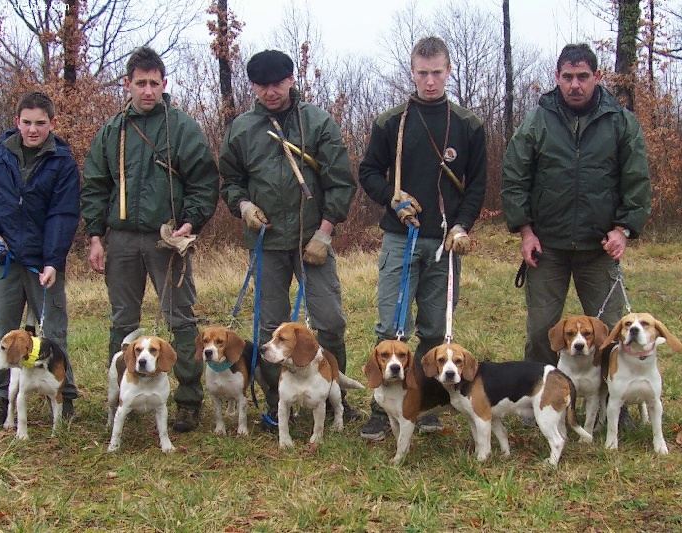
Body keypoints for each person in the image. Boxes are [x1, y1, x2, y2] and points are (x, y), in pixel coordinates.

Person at [219, 49, 359, 430]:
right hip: (266, 244)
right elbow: (229, 181)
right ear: (253, 86)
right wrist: (244, 205)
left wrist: (325, 233)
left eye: (278, 83)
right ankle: (276, 403)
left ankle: (333, 397)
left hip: (311, 241)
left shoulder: (316, 122)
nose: (270, 91)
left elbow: (341, 181)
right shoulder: (242, 128)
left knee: (329, 323)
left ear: (291, 80)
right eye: (262, 85)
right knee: (269, 331)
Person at [82, 46, 219, 433]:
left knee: (181, 318)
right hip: (122, 239)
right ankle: (121, 398)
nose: (147, 90)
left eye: (153, 83)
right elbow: (94, 185)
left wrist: (189, 224)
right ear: (127, 84)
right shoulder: (112, 131)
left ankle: (188, 401)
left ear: (164, 84)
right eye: (139, 83)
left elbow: (204, 181)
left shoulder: (181, 127)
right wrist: (96, 236)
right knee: (123, 322)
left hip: (166, 239)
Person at [358, 36, 487, 441]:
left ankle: (426, 402)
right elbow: (368, 173)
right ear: (411, 73)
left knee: (434, 327)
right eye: (422, 73)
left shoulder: (468, 125)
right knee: (393, 325)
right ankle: (382, 406)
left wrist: (462, 225)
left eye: (436, 72)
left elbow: (478, 184)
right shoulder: (391, 122)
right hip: (401, 237)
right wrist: (392, 199)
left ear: (449, 71)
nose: (429, 81)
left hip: (445, 244)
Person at [501, 43, 651, 368]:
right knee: (542, 331)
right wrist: (526, 232)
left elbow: (637, 181)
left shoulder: (621, 123)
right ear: (557, 77)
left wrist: (623, 229)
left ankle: (615, 401)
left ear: (597, 76)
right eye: (567, 77)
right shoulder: (537, 121)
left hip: (598, 248)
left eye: (582, 76)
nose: (574, 85)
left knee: (609, 330)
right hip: (547, 247)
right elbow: (514, 177)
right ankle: (540, 401)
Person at [0, 91, 81, 428]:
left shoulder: (63, 162)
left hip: (43, 264)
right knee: (3, 333)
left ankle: (64, 396)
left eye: (41, 123)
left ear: (52, 123)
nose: (33, 129)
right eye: (27, 122)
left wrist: (52, 260)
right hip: (6, 262)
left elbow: (63, 214)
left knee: (54, 332)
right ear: (16, 121)